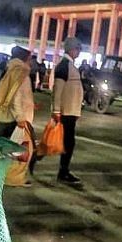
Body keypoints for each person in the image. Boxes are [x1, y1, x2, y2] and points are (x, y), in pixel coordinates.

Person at [0, 46, 35, 187]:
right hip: (14, 118)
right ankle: (13, 178)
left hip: (3, 116)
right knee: (18, 151)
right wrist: (21, 118)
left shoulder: (10, 69)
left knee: (2, 150)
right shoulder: (21, 73)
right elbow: (16, 96)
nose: (31, 61)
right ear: (25, 58)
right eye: (30, 58)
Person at [52, 37, 84, 184]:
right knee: (67, 143)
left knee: (64, 142)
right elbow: (57, 90)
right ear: (71, 49)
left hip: (70, 111)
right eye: (77, 49)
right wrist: (57, 110)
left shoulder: (69, 66)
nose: (78, 52)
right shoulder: (64, 66)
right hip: (66, 112)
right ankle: (63, 172)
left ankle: (62, 170)